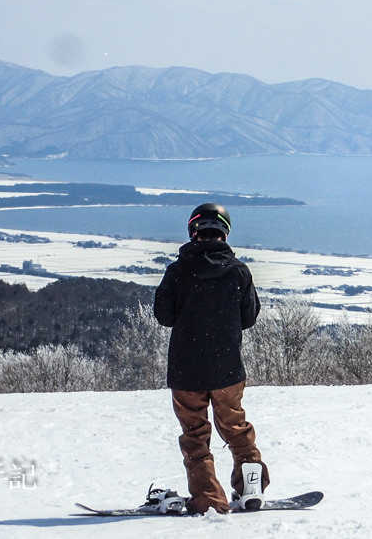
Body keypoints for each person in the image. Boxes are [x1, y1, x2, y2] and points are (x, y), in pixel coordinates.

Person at [153, 203, 269, 514]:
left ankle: (208, 499)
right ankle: (251, 487)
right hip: (227, 368)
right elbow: (249, 317)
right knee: (236, 428)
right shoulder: (239, 271)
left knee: (195, 435)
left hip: (186, 371)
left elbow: (163, 316)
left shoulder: (177, 271)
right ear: (224, 232)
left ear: (193, 231)